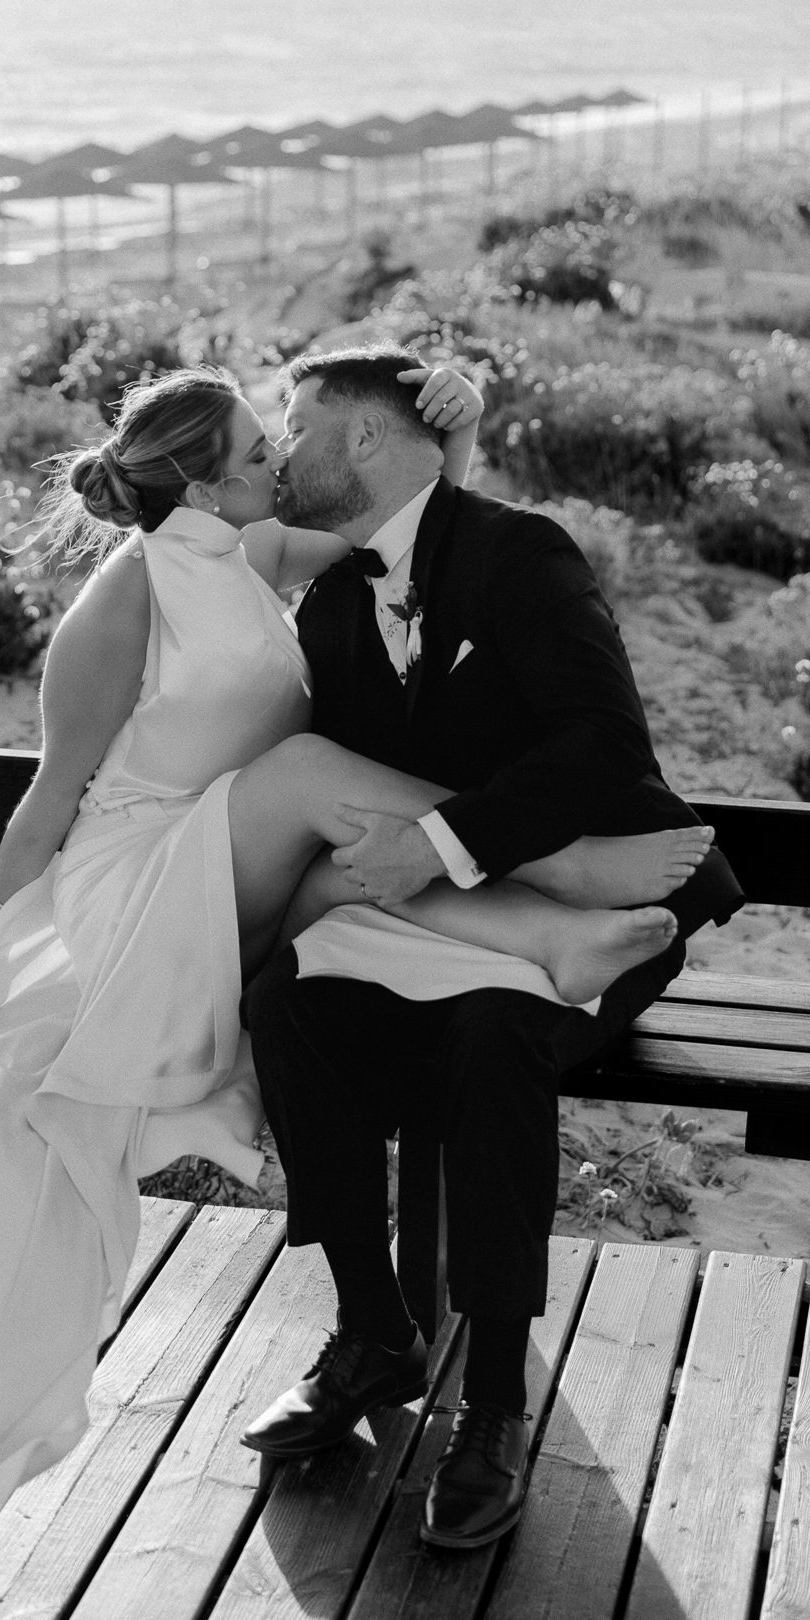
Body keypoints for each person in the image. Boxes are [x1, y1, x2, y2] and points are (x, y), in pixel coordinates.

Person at [0, 360, 716, 1619]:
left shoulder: (256, 555)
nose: (276, 453)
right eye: (261, 441)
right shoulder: (124, 599)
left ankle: (467, 1379)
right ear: (202, 473)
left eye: (286, 433)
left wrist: (448, 447)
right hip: (145, 875)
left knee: (392, 947)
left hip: (262, 871)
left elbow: (410, 536)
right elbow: (50, 800)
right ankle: (543, 917)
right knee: (301, 866)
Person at [239, 344, 744, 1554]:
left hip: (621, 900)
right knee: (288, 1002)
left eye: (295, 422)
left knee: (495, 1036)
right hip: (455, 910)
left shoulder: (522, 553)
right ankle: (373, 1330)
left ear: (361, 439)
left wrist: (448, 844)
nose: (282, 443)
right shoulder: (332, 598)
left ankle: (498, 1408)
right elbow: (369, 778)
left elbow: (602, 746)